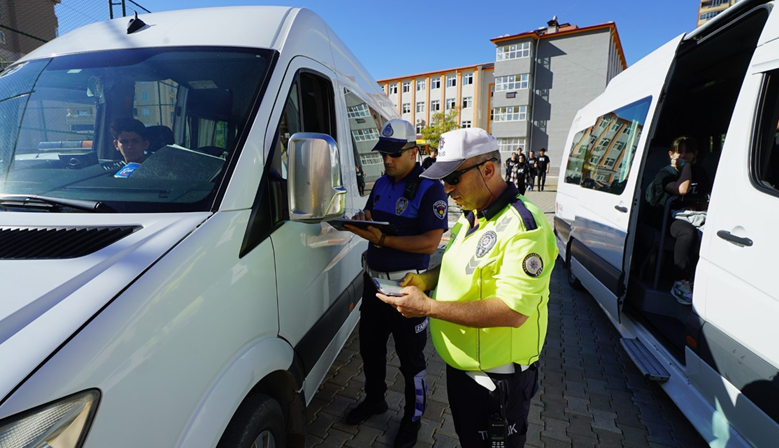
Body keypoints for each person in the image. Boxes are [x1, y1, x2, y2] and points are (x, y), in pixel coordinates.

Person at [376, 127, 557, 448]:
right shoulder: (472, 216)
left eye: (453, 178)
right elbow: (456, 265)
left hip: (497, 381)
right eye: (442, 179)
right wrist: (425, 280)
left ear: (488, 169)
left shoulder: (525, 226)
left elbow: (513, 310)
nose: (446, 189)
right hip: (463, 371)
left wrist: (428, 307)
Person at [342, 119, 448, 448]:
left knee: (410, 360)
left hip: (407, 289)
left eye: (394, 154)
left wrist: (384, 241)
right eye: (383, 154)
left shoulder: (431, 187)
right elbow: (373, 218)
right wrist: (359, 222)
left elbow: (431, 243)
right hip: (374, 285)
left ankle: (413, 419)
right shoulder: (382, 183)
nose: (387, 160)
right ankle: (375, 400)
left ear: (413, 152)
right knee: (370, 350)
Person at [646, 136, 711, 305]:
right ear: (671, 154)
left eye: (688, 152)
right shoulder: (666, 173)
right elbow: (681, 189)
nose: (683, 155)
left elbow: (705, 198)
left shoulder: (701, 173)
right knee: (687, 232)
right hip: (669, 217)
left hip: (694, 214)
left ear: (695, 153)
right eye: (679, 152)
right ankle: (679, 282)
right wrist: (686, 167)